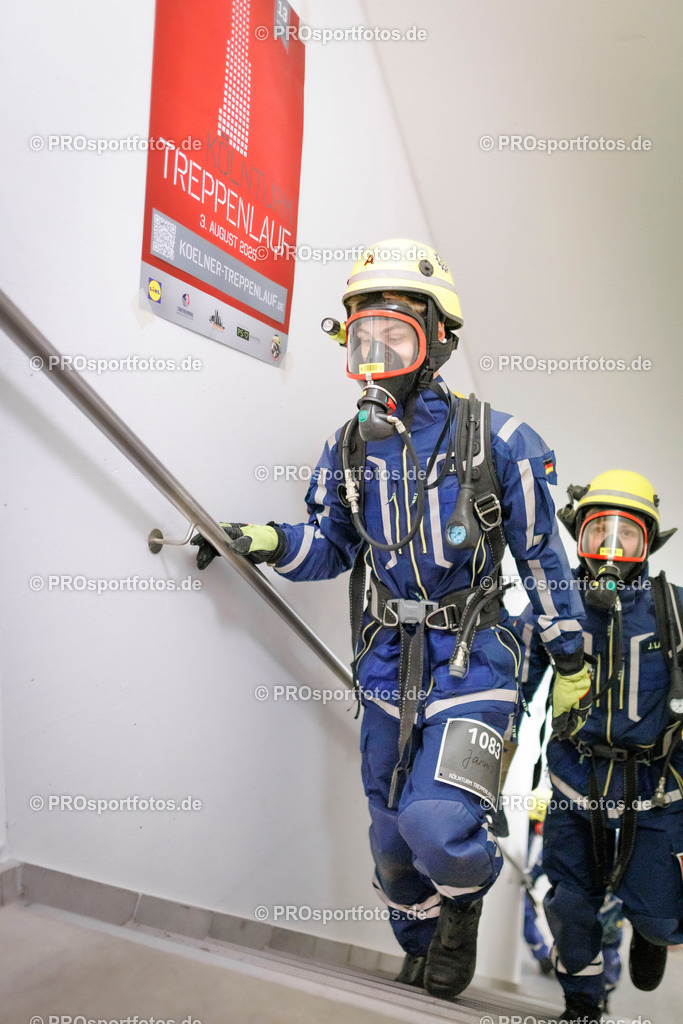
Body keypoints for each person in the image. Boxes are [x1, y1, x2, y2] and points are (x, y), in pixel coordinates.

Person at [191, 239, 586, 1000]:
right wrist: (267, 541)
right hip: (384, 665)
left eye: (395, 334)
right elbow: (332, 544)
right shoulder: (348, 448)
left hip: (476, 662)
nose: (377, 353)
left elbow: (542, 558)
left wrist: (568, 659)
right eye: (361, 336)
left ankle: (464, 904)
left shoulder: (501, 442)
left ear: (437, 340)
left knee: (436, 826)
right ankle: (419, 932)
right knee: (389, 841)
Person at [514, 470, 683, 1024]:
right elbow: (511, 685)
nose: (611, 548)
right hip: (573, 781)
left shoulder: (675, 612)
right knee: (569, 904)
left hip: (655, 792)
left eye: (626, 535)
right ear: (577, 537)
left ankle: (653, 931)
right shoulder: (556, 608)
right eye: (597, 533)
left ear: (647, 544)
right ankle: (582, 1004)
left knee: (661, 916)